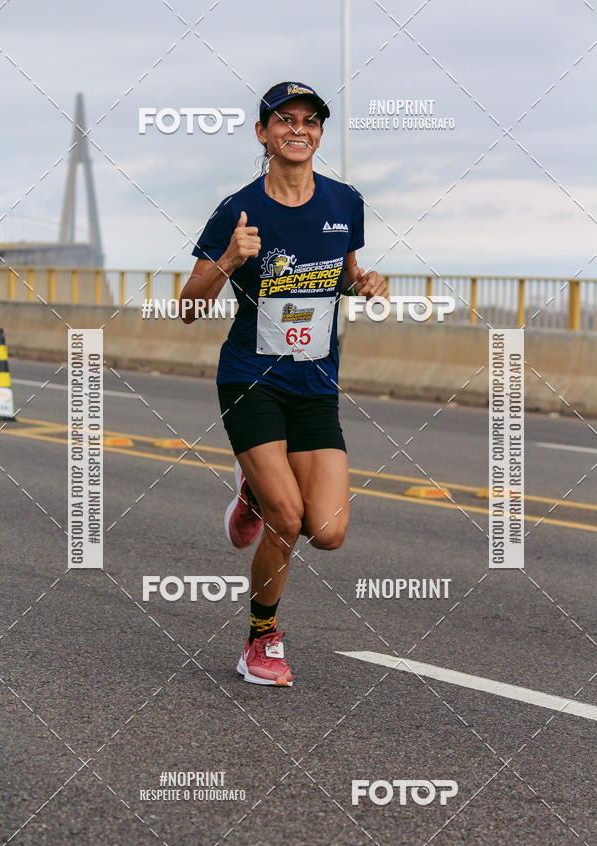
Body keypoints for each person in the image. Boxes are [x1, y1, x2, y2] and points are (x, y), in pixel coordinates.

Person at [180, 81, 388, 687]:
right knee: (288, 518)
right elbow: (188, 306)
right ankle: (260, 639)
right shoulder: (238, 210)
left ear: (320, 133)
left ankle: (252, 487)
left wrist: (365, 285)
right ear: (263, 133)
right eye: (285, 120)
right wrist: (227, 262)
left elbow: (341, 278)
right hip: (251, 378)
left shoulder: (345, 203)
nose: (299, 129)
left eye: (310, 121)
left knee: (328, 531)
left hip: (317, 383)